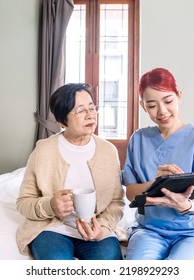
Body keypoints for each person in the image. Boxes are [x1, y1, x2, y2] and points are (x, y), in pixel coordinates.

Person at [121, 67, 194, 260]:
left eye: (168, 101)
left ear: (179, 96)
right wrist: (154, 183)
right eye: (152, 105)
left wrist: (185, 205)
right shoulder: (138, 140)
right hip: (150, 229)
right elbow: (130, 192)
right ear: (143, 106)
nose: (162, 111)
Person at [16, 83, 125, 260]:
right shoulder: (43, 150)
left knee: (109, 260)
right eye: (81, 111)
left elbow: (117, 202)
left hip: (96, 228)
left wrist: (102, 229)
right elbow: (23, 202)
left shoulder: (108, 151)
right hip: (52, 229)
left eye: (92, 108)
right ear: (61, 121)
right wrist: (51, 205)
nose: (90, 115)